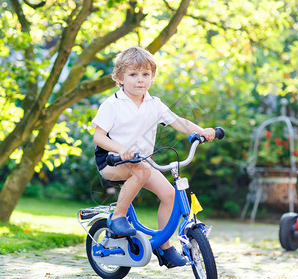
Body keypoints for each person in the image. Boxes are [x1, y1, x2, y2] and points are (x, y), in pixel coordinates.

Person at [91, 46, 215, 266]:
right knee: (143, 170)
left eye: (146, 74)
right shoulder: (113, 104)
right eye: (133, 74)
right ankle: (119, 217)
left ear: (152, 77)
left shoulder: (154, 104)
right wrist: (121, 149)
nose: (140, 80)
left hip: (142, 161)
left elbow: (180, 122)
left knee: (170, 195)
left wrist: (201, 130)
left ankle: (164, 247)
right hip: (112, 161)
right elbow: (99, 137)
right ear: (120, 78)